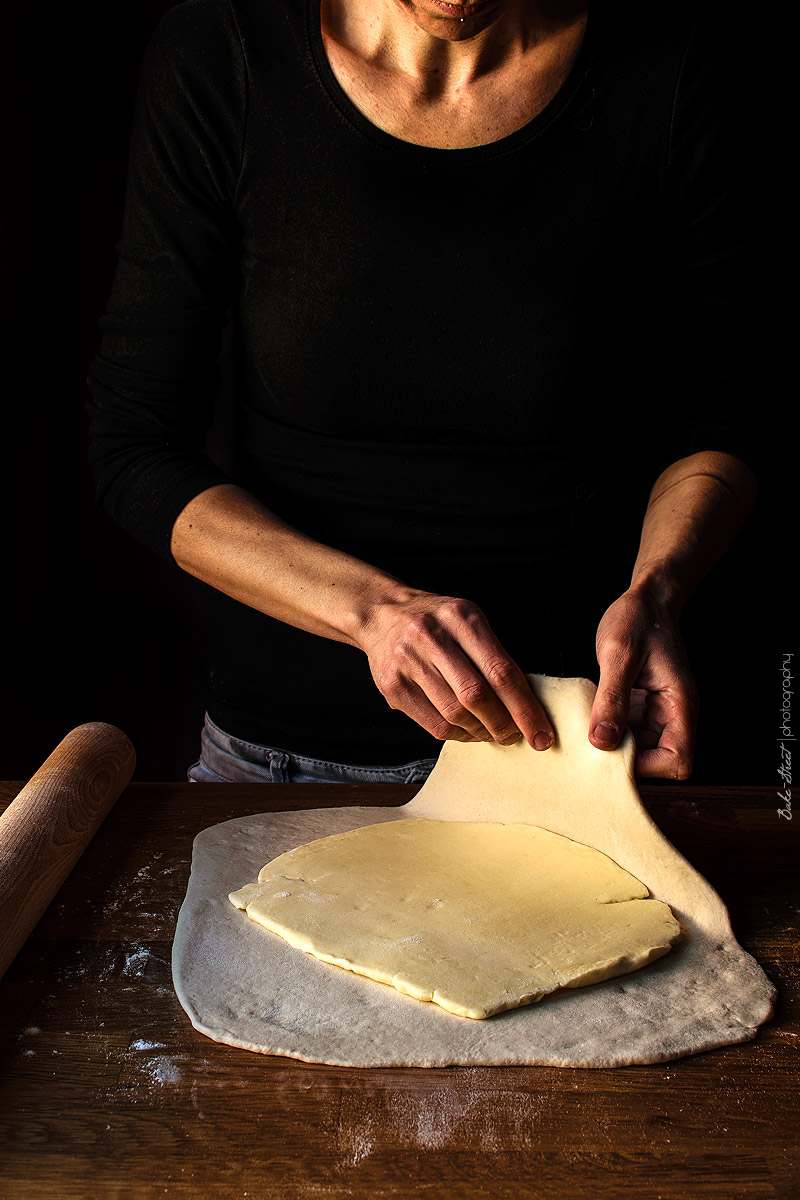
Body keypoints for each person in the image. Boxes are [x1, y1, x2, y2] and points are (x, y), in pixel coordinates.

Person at [86, 0, 757, 785]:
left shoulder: (676, 63)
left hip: (579, 756)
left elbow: (730, 407)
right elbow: (135, 445)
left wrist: (659, 590)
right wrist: (373, 612)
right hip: (285, 758)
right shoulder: (224, 52)